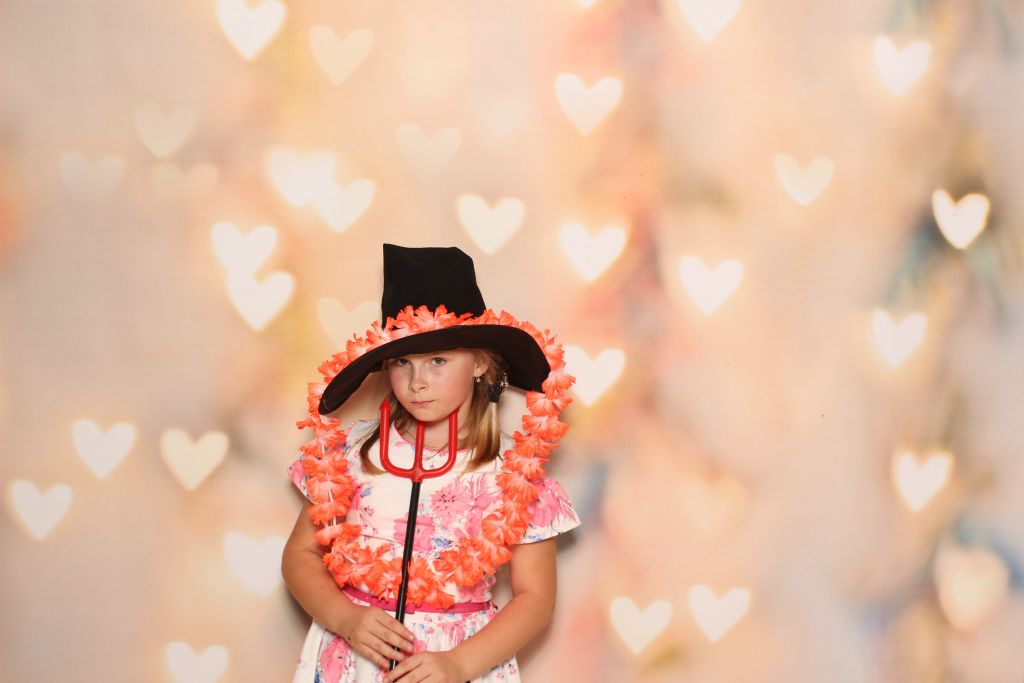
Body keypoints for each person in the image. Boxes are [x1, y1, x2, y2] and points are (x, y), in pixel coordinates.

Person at [282, 244, 582, 682]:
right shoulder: (351, 455)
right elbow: (300, 555)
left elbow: (535, 598)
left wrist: (459, 663)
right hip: (354, 658)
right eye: (402, 362)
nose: (417, 382)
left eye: (438, 361)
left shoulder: (515, 476)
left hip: (457, 661)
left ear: (480, 363)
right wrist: (345, 618)